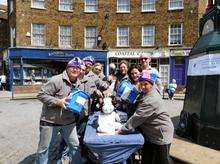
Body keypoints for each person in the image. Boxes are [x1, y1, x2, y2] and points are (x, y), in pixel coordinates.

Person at [118, 72, 174, 164]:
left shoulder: (151, 99)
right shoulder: (147, 92)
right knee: (148, 159)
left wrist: (123, 129)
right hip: (151, 134)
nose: (143, 86)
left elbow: (138, 117)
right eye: (141, 84)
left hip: (160, 135)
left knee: (162, 160)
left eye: (146, 84)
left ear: (151, 84)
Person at [35, 57, 84, 164]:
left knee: (75, 146)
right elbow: (41, 95)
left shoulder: (79, 83)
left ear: (80, 70)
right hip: (50, 122)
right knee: (44, 149)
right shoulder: (56, 80)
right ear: (67, 68)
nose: (75, 70)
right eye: (72, 67)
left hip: (69, 122)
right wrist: (58, 102)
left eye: (78, 68)